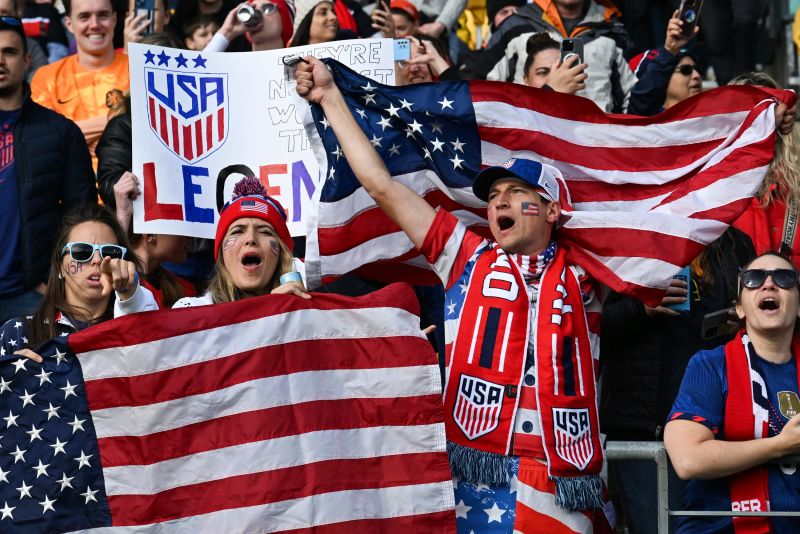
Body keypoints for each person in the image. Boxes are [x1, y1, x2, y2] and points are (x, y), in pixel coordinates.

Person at [296, 56, 613, 532]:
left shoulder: (592, 273)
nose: (499, 202)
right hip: (474, 477)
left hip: (559, 478)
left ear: (552, 210)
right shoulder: (465, 255)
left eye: (515, 192)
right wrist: (330, 98)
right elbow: (381, 186)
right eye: (493, 196)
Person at [601, 227, 755, 534]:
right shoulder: (634, 234)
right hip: (647, 429)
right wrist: (641, 308)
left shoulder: (735, 241)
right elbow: (593, 327)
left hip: (718, 427)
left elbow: (759, 310)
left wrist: (740, 321)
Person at [664, 252, 800, 532]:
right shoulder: (711, 365)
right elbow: (688, 459)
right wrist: (781, 445)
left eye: (785, 278)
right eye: (754, 279)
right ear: (739, 309)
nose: (769, 284)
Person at [0, 16, 96, 325]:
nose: (0, 61)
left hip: (31, 293)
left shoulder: (61, 132)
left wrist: (54, 279)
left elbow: (81, 215)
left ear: (28, 60)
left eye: (10, 52)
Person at [119, 176, 307, 310]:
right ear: (221, 254)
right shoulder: (190, 313)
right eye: (238, 231)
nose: (251, 239)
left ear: (281, 252)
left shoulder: (305, 308)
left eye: (265, 232)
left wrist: (294, 316)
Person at [0, 204, 154, 362]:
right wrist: (13, 379)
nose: (97, 260)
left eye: (109, 252)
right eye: (82, 251)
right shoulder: (17, 334)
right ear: (59, 266)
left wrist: (132, 297)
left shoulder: (139, 321)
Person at [477, 0, 635, 114]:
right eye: (542, 71)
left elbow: (632, 100)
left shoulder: (612, 31)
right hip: (530, 146)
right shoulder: (515, 27)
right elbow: (486, 94)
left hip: (594, 149)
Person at [30, 0, 130, 168]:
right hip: (70, 190)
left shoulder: (140, 69)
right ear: (69, 23)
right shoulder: (47, 77)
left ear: (114, 18)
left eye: (102, 15)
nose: (95, 24)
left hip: (132, 189)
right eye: (84, 17)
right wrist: (123, 120)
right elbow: (44, 143)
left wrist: (72, 133)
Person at [732, 72, 800, 269]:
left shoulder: (795, 183)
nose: (758, 122)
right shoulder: (710, 189)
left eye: (767, 111)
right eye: (749, 113)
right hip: (732, 299)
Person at [627, 10, 702, 117]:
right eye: (686, 70)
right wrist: (670, 50)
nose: (697, 76)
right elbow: (642, 99)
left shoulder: (712, 118)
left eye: (698, 69)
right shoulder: (646, 124)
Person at [203, 0, 295, 53]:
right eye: (251, 9)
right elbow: (197, 74)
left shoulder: (300, 73)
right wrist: (226, 32)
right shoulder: (234, 67)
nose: (256, 13)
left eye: (267, 8)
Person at [521, 32, 587, 94]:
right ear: (526, 80)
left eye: (559, 70)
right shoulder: (513, 105)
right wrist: (553, 91)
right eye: (543, 72)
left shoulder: (588, 105)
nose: (555, 78)